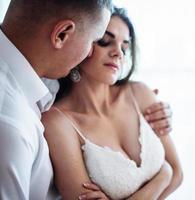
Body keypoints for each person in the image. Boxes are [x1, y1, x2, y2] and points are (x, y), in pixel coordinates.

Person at [42, 7, 183, 200]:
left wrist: (169, 173)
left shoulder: (140, 94)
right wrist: (162, 176)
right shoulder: (57, 123)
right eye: (105, 41)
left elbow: (177, 173)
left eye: (124, 47)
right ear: (83, 42)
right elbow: (169, 171)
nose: (118, 53)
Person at [0, 0, 112, 199]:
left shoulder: (38, 79)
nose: (89, 53)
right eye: (94, 41)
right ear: (61, 34)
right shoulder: (11, 124)